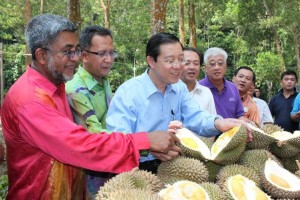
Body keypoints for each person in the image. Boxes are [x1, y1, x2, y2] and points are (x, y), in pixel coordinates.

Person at [0, 14, 180, 199]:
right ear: (42, 55)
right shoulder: (31, 100)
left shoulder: (57, 86)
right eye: (67, 51)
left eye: (77, 50)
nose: (76, 58)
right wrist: (144, 141)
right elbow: (79, 145)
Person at [106, 33, 253, 173]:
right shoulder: (128, 93)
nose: (178, 66)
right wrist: (148, 147)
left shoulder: (179, 87)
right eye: (170, 61)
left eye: (181, 59)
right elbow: (117, 141)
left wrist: (219, 123)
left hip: (173, 164)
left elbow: (195, 116)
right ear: (151, 61)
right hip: (137, 168)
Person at [65, 26, 116, 198]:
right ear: (84, 56)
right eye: (102, 54)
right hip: (89, 174)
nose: (109, 59)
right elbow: (94, 135)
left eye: (112, 53)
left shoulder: (103, 79)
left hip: (111, 163)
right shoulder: (76, 90)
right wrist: (143, 141)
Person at [199, 47, 248, 122]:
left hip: (232, 132)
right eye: (212, 64)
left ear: (226, 66)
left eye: (220, 63)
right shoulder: (199, 88)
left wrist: (251, 123)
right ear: (205, 68)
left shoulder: (233, 88)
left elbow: (239, 116)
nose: (217, 67)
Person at [180, 47, 216, 115]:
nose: (192, 67)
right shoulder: (170, 91)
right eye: (187, 63)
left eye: (196, 63)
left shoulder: (206, 92)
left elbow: (212, 121)